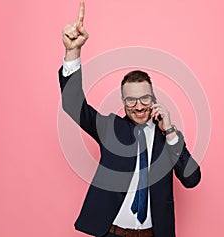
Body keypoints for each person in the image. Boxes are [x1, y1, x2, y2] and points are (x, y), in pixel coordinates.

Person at [58, 1, 201, 236]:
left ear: (154, 98)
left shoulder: (169, 137)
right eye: (131, 100)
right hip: (112, 232)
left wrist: (171, 133)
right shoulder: (109, 126)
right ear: (123, 102)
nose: (138, 106)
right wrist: (73, 52)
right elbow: (74, 105)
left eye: (145, 98)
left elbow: (192, 179)